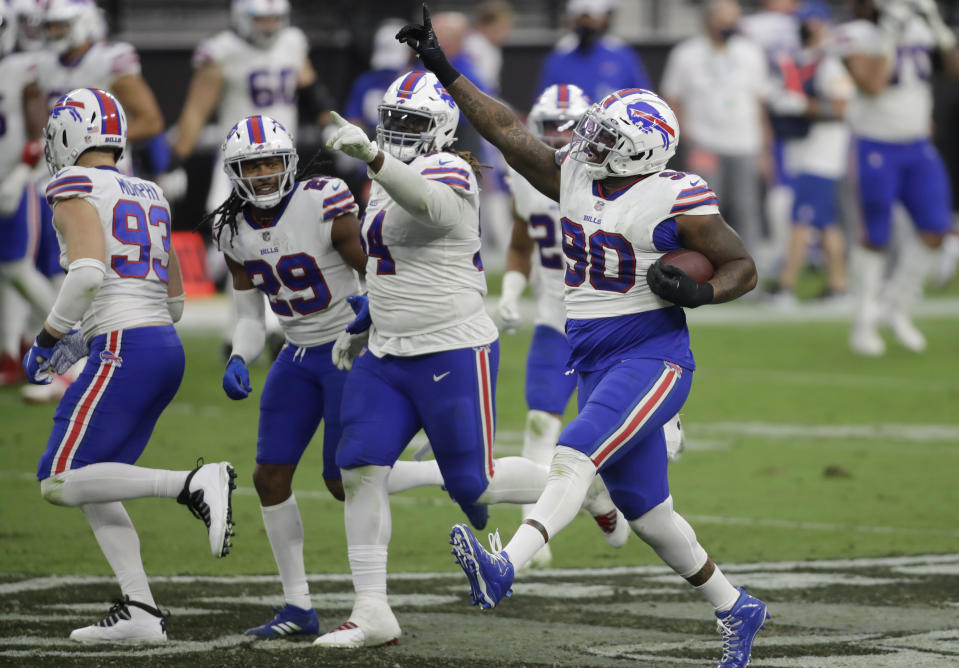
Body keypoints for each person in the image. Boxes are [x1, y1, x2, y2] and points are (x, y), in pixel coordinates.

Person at [397, 9, 768, 668]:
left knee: (574, 449)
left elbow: (743, 266)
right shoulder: (572, 172)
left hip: (651, 354)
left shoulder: (674, 198)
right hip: (590, 353)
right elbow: (505, 127)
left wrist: (702, 292)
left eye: (602, 136)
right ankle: (735, 605)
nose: (586, 142)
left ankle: (503, 566)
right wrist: (442, 67)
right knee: (646, 512)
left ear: (641, 148)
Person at [315, 69, 628, 649]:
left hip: (452, 347)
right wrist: (366, 319)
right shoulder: (383, 179)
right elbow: (390, 260)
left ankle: (582, 488)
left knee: (475, 484)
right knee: (356, 469)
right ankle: (371, 608)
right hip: (387, 350)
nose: (397, 132)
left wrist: (377, 161)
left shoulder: (448, 169)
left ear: (440, 128)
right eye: (392, 122)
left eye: (411, 123)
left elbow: (431, 209)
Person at [207, 114, 457, 638]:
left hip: (349, 348)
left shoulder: (323, 199)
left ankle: (447, 470)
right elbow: (251, 317)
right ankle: (297, 606)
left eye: (272, 161)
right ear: (234, 172)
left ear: (291, 162)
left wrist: (372, 307)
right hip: (296, 357)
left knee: (341, 481)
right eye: (252, 165)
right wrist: (239, 355)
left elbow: (372, 269)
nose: (263, 173)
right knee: (268, 478)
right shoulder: (229, 228)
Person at [23, 88, 236, 644]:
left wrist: (50, 337)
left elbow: (90, 272)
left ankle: (193, 482)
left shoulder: (72, 184)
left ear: (72, 132)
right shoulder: (150, 192)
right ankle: (141, 609)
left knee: (59, 478)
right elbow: (174, 302)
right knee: (98, 480)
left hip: (125, 347)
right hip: (161, 345)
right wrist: (86, 337)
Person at [836, 0, 959, 355]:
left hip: (917, 144)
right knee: (874, 237)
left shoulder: (918, 26)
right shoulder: (853, 33)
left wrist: (938, 26)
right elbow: (872, 84)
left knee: (936, 229)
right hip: (874, 144)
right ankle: (863, 321)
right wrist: (889, 33)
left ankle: (895, 306)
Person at [164, 0, 328, 214]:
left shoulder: (292, 42)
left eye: (274, 18)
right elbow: (197, 111)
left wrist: (330, 128)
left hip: (283, 159)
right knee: (229, 227)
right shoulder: (223, 50)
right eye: (261, 19)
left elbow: (312, 92)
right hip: (239, 160)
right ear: (242, 17)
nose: (269, 26)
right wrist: (175, 163)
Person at [660, 0, 773, 264]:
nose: (730, 24)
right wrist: (688, 139)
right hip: (705, 142)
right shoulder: (686, 54)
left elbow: (760, 103)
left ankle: (748, 273)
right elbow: (673, 100)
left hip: (746, 143)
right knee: (704, 213)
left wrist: (765, 150)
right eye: (724, 18)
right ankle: (706, 270)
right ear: (708, 21)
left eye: (733, 18)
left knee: (748, 210)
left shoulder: (750, 52)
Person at [767, 1, 854, 306]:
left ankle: (786, 286)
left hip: (822, 153)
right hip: (803, 150)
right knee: (826, 222)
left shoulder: (830, 63)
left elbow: (843, 109)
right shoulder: (799, 61)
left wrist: (804, 106)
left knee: (800, 220)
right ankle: (838, 285)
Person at [0, 2, 56, 385]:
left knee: (15, 269)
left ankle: (74, 338)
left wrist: (20, 175)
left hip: (10, 185)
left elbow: (41, 132)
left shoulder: (22, 69)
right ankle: (9, 353)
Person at [537, 0, 652, 104]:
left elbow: (644, 99)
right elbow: (544, 104)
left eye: (591, 20)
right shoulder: (558, 58)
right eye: (582, 19)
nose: (587, 25)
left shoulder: (622, 54)